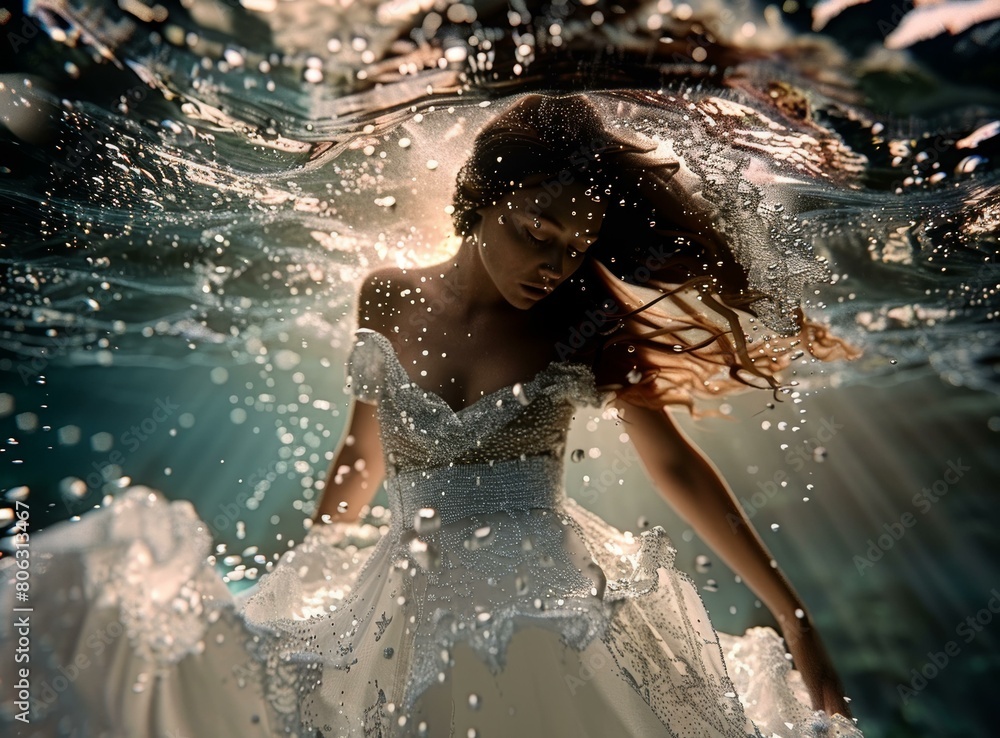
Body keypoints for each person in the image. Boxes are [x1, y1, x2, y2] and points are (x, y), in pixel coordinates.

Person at [0, 93, 862, 738]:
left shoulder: (581, 321)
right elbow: (361, 452)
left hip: (553, 602)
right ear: (483, 194)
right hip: (400, 600)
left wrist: (795, 615)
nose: (557, 265)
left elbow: (675, 465)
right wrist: (313, 556)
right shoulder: (383, 295)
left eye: (576, 248)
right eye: (537, 231)